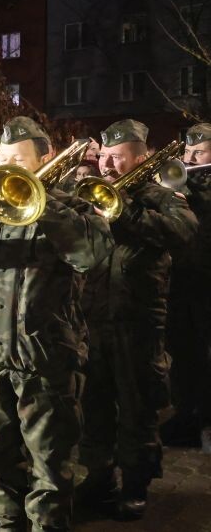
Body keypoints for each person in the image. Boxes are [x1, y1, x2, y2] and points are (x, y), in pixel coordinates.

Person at [0, 116, 113, 530]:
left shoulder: (75, 208)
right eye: (5, 159)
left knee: (50, 466)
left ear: (46, 159)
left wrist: (43, 205)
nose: (11, 168)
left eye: (20, 160)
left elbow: (92, 255)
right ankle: (5, 523)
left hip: (45, 356)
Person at [78, 119, 198, 519]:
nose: (108, 165)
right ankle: (98, 477)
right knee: (93, 404)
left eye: (118, 158)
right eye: (105, 157)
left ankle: (135, 484)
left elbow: (183, 230)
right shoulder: (89, 191)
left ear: (142, 159)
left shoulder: (159, 195)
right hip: (94, 317)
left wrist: (123, 211)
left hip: (138, 321)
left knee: (138, 405)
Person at [162, 122, 211, 454]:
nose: (190, 158)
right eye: (187, 152)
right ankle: (186, 413)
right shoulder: (181, 188)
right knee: (182, 351)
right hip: (181, 281)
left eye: (199, 152)